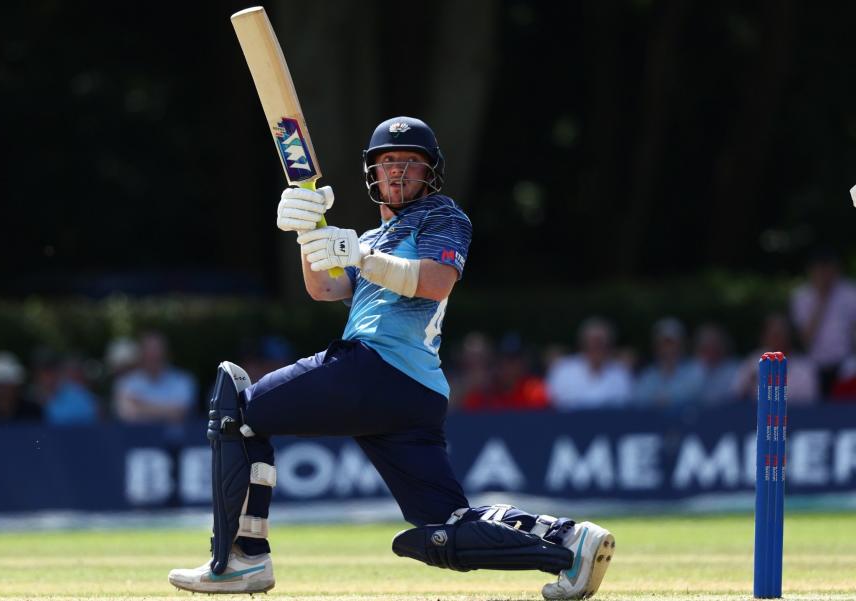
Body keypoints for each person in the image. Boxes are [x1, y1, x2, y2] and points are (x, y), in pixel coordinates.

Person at [168, 117, 614, 599]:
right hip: (409, 396)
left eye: (410, 164)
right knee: (445, 526)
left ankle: (240, 558)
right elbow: (324, 287)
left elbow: (435, 281)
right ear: (372, 173)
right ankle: (570, 545)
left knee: (239, 409)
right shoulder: (373, 239)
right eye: (388, 163)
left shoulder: (442, 216)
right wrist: (306, 232)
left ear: (430, 173)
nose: (398, 172)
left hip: (379, 368)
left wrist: (358, 255)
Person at [789, 249, 856, 396]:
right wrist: (822, 299)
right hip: (814, 365)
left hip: (846, 365)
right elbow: (805, 339)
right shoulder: (801, 296)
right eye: (821, 269)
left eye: (829, 268)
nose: (826, 274)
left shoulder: (851, 293)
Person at [546, 317, 633, 409]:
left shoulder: (621, 373)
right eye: (593, 342)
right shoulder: (562, 370)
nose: (597, 347)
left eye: (601, 343)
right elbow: (552, 406)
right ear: (583, 343)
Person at [113, 332, 197, 424]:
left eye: (157, 350)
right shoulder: (126, 383)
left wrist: (140, 406)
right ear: (141, 354)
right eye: (149, 350)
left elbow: (180, 413)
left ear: (166, 353)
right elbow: (127, 414)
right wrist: (167, 410)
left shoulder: (183, 380)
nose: (153, 355)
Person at [632, 318, 703, 407]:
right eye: (664, 344)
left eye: (672, 343)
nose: (668, 349)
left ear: (682, 345)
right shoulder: (647, 375)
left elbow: (699, 401)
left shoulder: (695, 371)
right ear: (656, 346)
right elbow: (639, 401)